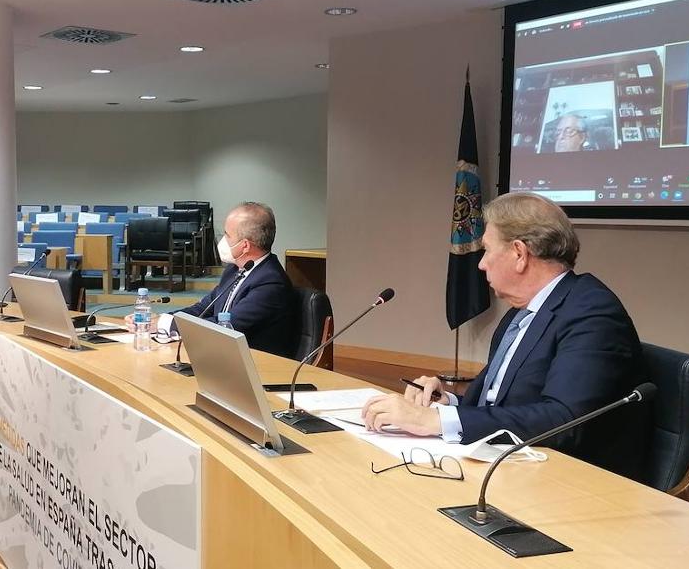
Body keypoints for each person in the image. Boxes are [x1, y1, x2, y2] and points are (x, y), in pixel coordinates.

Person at [360, 192, 649, 479]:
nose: (481, 264)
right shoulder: (520, 314)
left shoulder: (592, 312)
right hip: (509, 466)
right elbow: (495, 403)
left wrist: (433, 420)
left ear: (519, 254)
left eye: (487, 250)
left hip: (569, 482)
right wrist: (444, 402)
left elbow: (564, 421)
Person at [129, 202, 298, 358]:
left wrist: (166, 325)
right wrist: (163, 318)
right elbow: (203, 309)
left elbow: (224, 327)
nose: (222, 240)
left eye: (227, 235)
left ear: (245, 245)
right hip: (225, 358)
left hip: (258, 366)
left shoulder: (271, 282)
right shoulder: (234, 270)